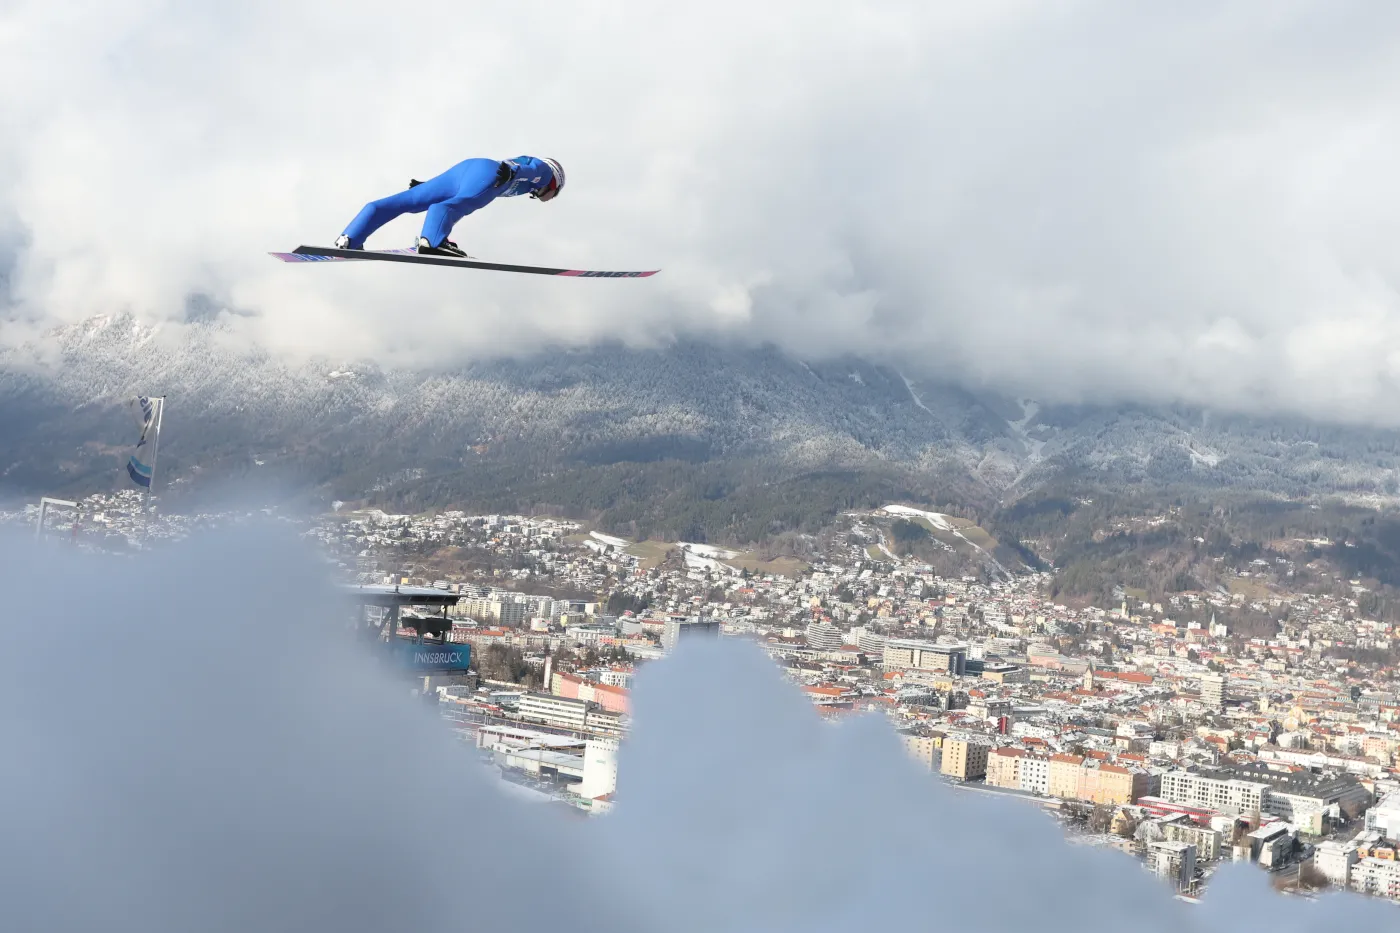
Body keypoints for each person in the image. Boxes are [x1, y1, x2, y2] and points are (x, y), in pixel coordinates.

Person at [335, 156, 565, 257]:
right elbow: (535, 168)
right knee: (462, 203)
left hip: (466, 169)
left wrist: (429, 185)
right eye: (554, 195)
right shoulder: (545, 174)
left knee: (408, 200)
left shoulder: (529, 185)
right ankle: (432, 242)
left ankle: (350, 238)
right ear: (555, 184)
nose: (548, 199)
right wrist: (514, 172)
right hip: (490, 172)